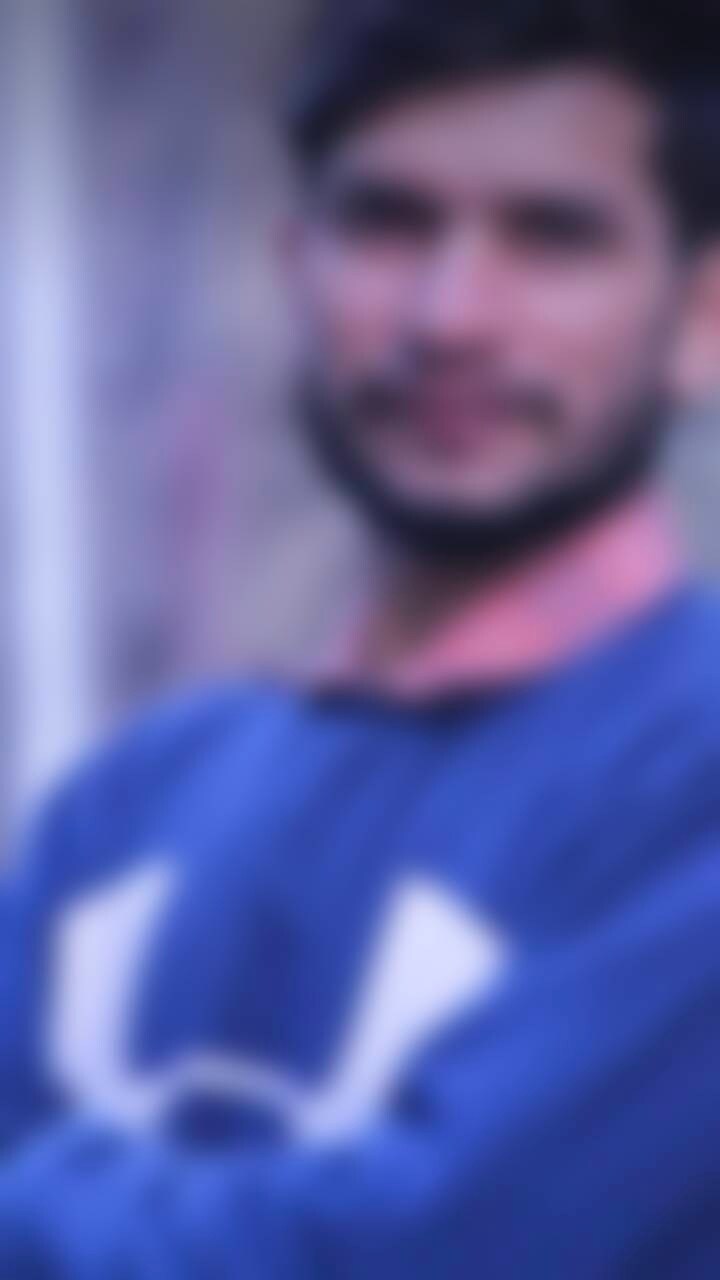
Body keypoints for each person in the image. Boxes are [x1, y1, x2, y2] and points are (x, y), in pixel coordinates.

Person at [1, 0, 720, 1273]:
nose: (449, 315)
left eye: (553, 236)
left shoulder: (688, 768)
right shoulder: (127, 798)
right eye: (387, 221)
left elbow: (433, 1248)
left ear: (706, 314)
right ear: (294, 268)